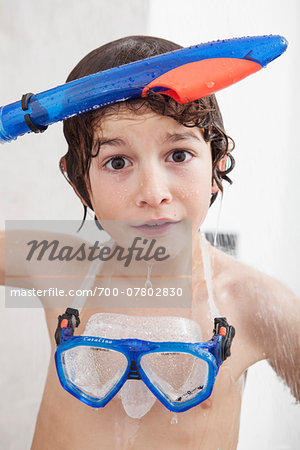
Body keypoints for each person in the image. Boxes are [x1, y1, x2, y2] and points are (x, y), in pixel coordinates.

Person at [1, 35, 299, 450]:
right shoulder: (57, 266)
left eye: (178, 154)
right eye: (117, 162)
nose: (152, 191)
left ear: (216, 166)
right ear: (78, 182)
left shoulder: (254, 304)